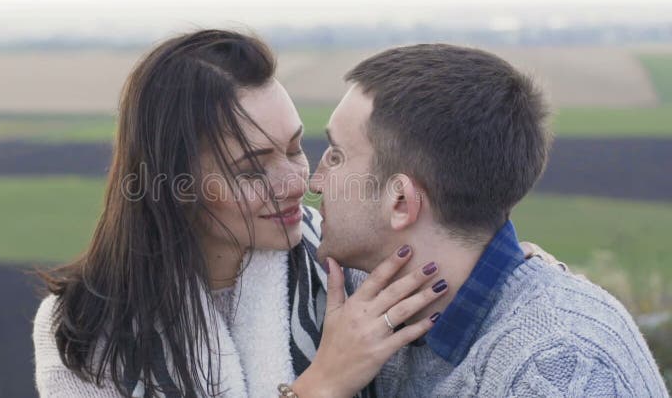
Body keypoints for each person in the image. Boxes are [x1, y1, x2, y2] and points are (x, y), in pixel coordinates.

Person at [32, 30, 445, 398]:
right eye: (251, 168)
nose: (295, 184)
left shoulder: (348, 269)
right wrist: (321, 386)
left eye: (294, 148)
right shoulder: (83, 331)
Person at [307, 43, 669, 397]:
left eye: (336, 156)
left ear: (401, 201)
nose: (314, 180)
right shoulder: (366, 297)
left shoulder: (558, 370)